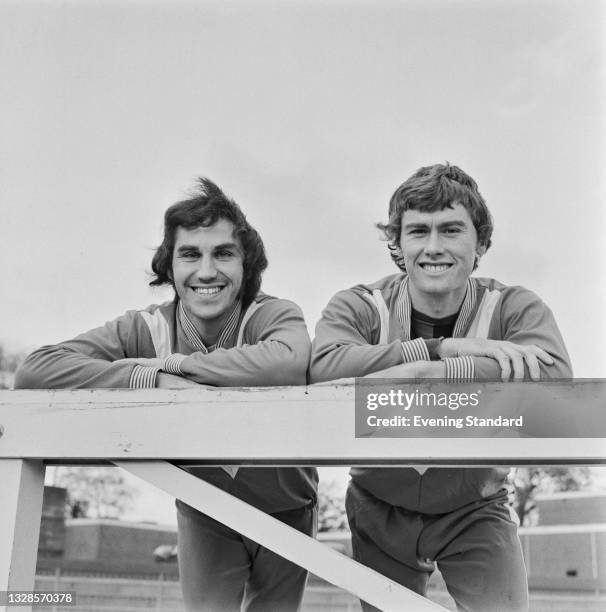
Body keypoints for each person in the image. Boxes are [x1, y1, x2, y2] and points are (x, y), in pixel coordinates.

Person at [15, 178, 318, 612]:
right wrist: (147, 379)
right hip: (204, 510)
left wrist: (175, 367)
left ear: (246, 265)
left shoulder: (270, 313)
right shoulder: (146, 327)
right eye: (190, 254)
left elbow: (287, 362)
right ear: (169, 265)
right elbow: (36, 370)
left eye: (223, 253)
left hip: (289, 505)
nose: (207, 271)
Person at [309, 163, 572, 612]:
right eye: (418, 232)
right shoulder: (360, 304)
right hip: (379, 503)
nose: (433, 247)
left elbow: (555, 383)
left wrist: (436, 370)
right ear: (398, 243)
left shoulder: (513, 305)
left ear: (481, 243)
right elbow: (324, 369)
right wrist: (437, 351)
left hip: (475, 503)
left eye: (451, 230)